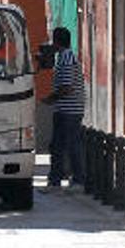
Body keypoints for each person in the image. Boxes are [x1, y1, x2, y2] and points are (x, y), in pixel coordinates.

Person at [41, 27, 85, 193]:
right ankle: (55, 180)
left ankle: (77, 180)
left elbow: (66, 87)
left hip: (69, 110)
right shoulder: (64, 58)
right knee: (58, 145)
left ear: (56, 41)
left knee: (70, 145)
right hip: (66, 109)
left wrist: (50, 99)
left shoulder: (66, 59)